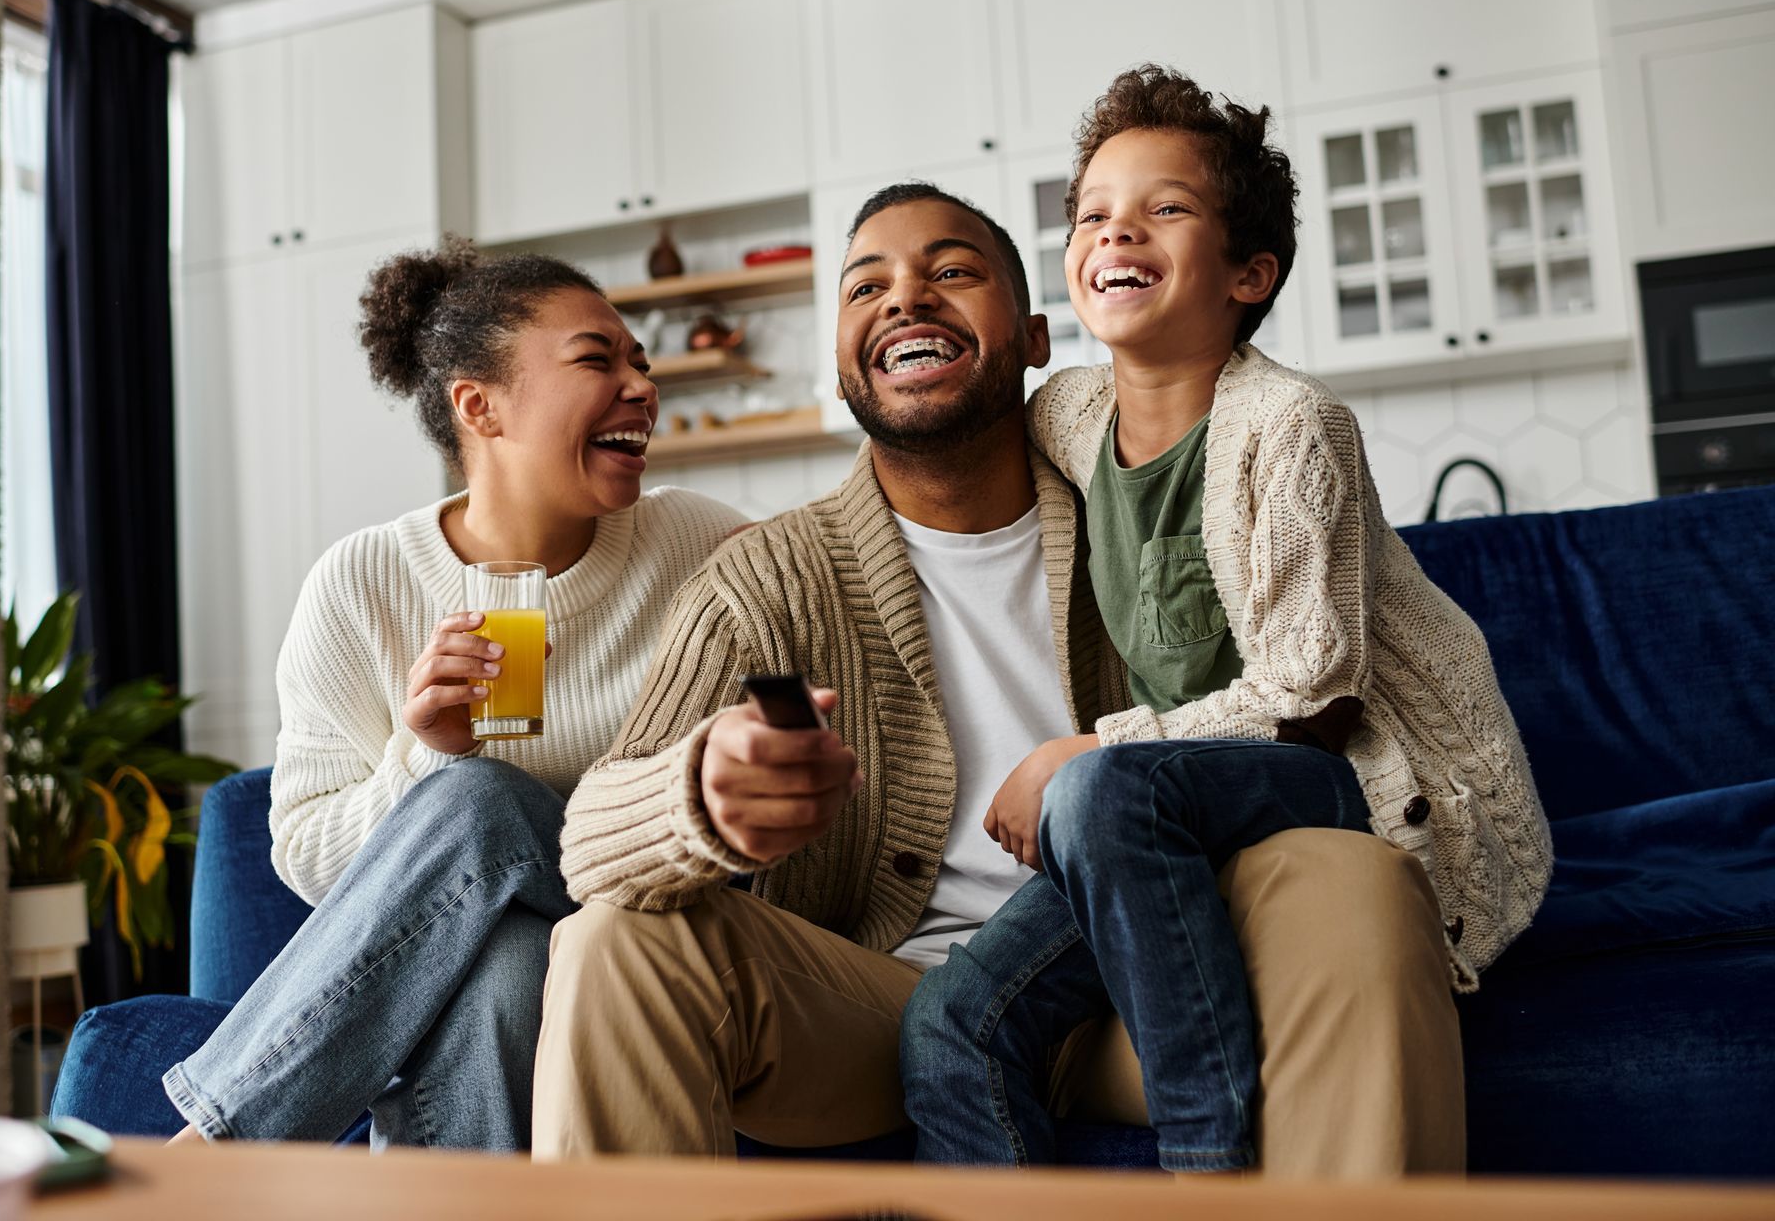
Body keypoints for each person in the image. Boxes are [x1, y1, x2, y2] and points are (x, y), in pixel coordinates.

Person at [528, 184, 1470, 1175]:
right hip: (882, 1010)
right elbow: (589, 846)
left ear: (1029, 338)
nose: (906, 299)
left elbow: (1298, 700)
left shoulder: (1148, 504)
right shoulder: (765, 577)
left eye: (951, 272)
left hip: (1162, 975)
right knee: (611, 944)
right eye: (866, 288)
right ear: (841, 365)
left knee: (1357, 874)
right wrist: (700, 791)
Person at [899, 64, 1553, 1174]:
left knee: (1101, 786)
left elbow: (1312, 695)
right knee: (948, 1026)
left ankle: (1209, 1166)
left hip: (1346, 769)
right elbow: (937, 439)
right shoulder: (1069, 412)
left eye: (1165, 208)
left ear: (1250, 272)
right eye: (1095, 213)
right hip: (1168, 805)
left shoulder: (1292, 425)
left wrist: (1078, 752)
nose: (1120, 231)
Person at [160, 238, 749, 1150]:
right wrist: (427, 751)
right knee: (507, 966)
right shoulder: (364, 583)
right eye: (598, 359)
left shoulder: (696, 544)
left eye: (640, 360)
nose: (641, 384)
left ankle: (215, 1152)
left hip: (648, 928)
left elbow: (830, 599)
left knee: (478, 799)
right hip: (517, 954)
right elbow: (307, 857)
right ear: (479, 406)